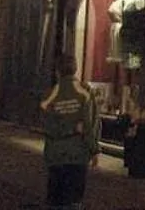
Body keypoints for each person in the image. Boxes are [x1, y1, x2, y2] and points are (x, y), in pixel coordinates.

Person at [39, 55, 98, 210]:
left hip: (56, 153)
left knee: (56, 198)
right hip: (77, 153)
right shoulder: (85, 92)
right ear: (76, 69)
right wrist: (94, 149)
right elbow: (90, 123)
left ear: (57, 72)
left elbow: (45, 124)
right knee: (73, 199)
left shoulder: (50, 94)